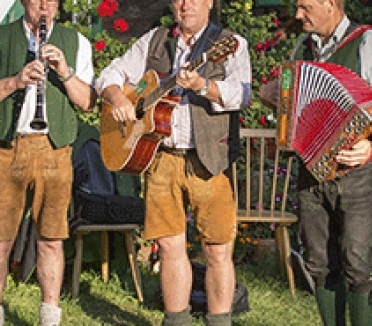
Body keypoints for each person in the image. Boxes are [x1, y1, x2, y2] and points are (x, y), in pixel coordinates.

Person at [95, 0, 251, 324]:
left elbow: (242, 93)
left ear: (209, 2)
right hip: (160, 156)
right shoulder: (154, 40)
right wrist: (118, 97)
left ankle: (219, 321)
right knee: (169, 247)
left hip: (209, 159)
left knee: (218, 249)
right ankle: (176, 320)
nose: (186, 4)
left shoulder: (230, 43)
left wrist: (203, 86)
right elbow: (109, 74)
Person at [0, 0, 95, 324]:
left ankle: (49, 319)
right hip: (5, 149)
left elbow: (87, 102)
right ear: (24, 1)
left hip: (54, 150)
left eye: (51, 0)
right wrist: (16, 81)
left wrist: (64, 72)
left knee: (51, 240)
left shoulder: (76, 42)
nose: (44, 6)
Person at [291, 0, 372, 325]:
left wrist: (369, 147)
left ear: (330, 4)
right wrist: (274, 94)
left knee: (358, 264)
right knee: (319, 262)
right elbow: (288, 97)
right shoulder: (302, 47)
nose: (298, 15)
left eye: (305, 6)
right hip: (311, 170)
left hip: (357, 173)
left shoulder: (367, 40)